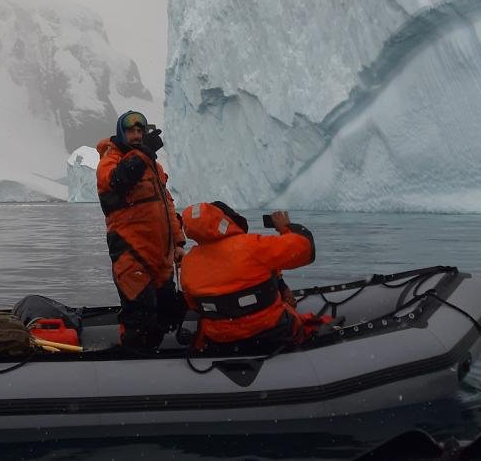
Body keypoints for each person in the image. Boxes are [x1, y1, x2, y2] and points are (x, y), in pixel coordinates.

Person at [96, 111, 186, 349]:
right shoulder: (110, 159)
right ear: (120, 133)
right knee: (139, 315)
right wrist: (143, 153)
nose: (136, 135)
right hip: (131, 252)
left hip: (161, 253)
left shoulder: (152, 165)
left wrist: (178, 242)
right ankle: (132, 359)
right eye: (131, 131)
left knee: (165, 312)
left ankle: (155, 364)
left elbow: (167, 205)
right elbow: (116, 181)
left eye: (140, 131)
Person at [178, 201, 317, 349]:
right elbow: (305, 249)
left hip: (220, 339)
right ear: (227, 219)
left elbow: (194, 305)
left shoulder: (188, 263)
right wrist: (286, 227)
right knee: (301, 320)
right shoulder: (252, 246)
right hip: (270, 331)